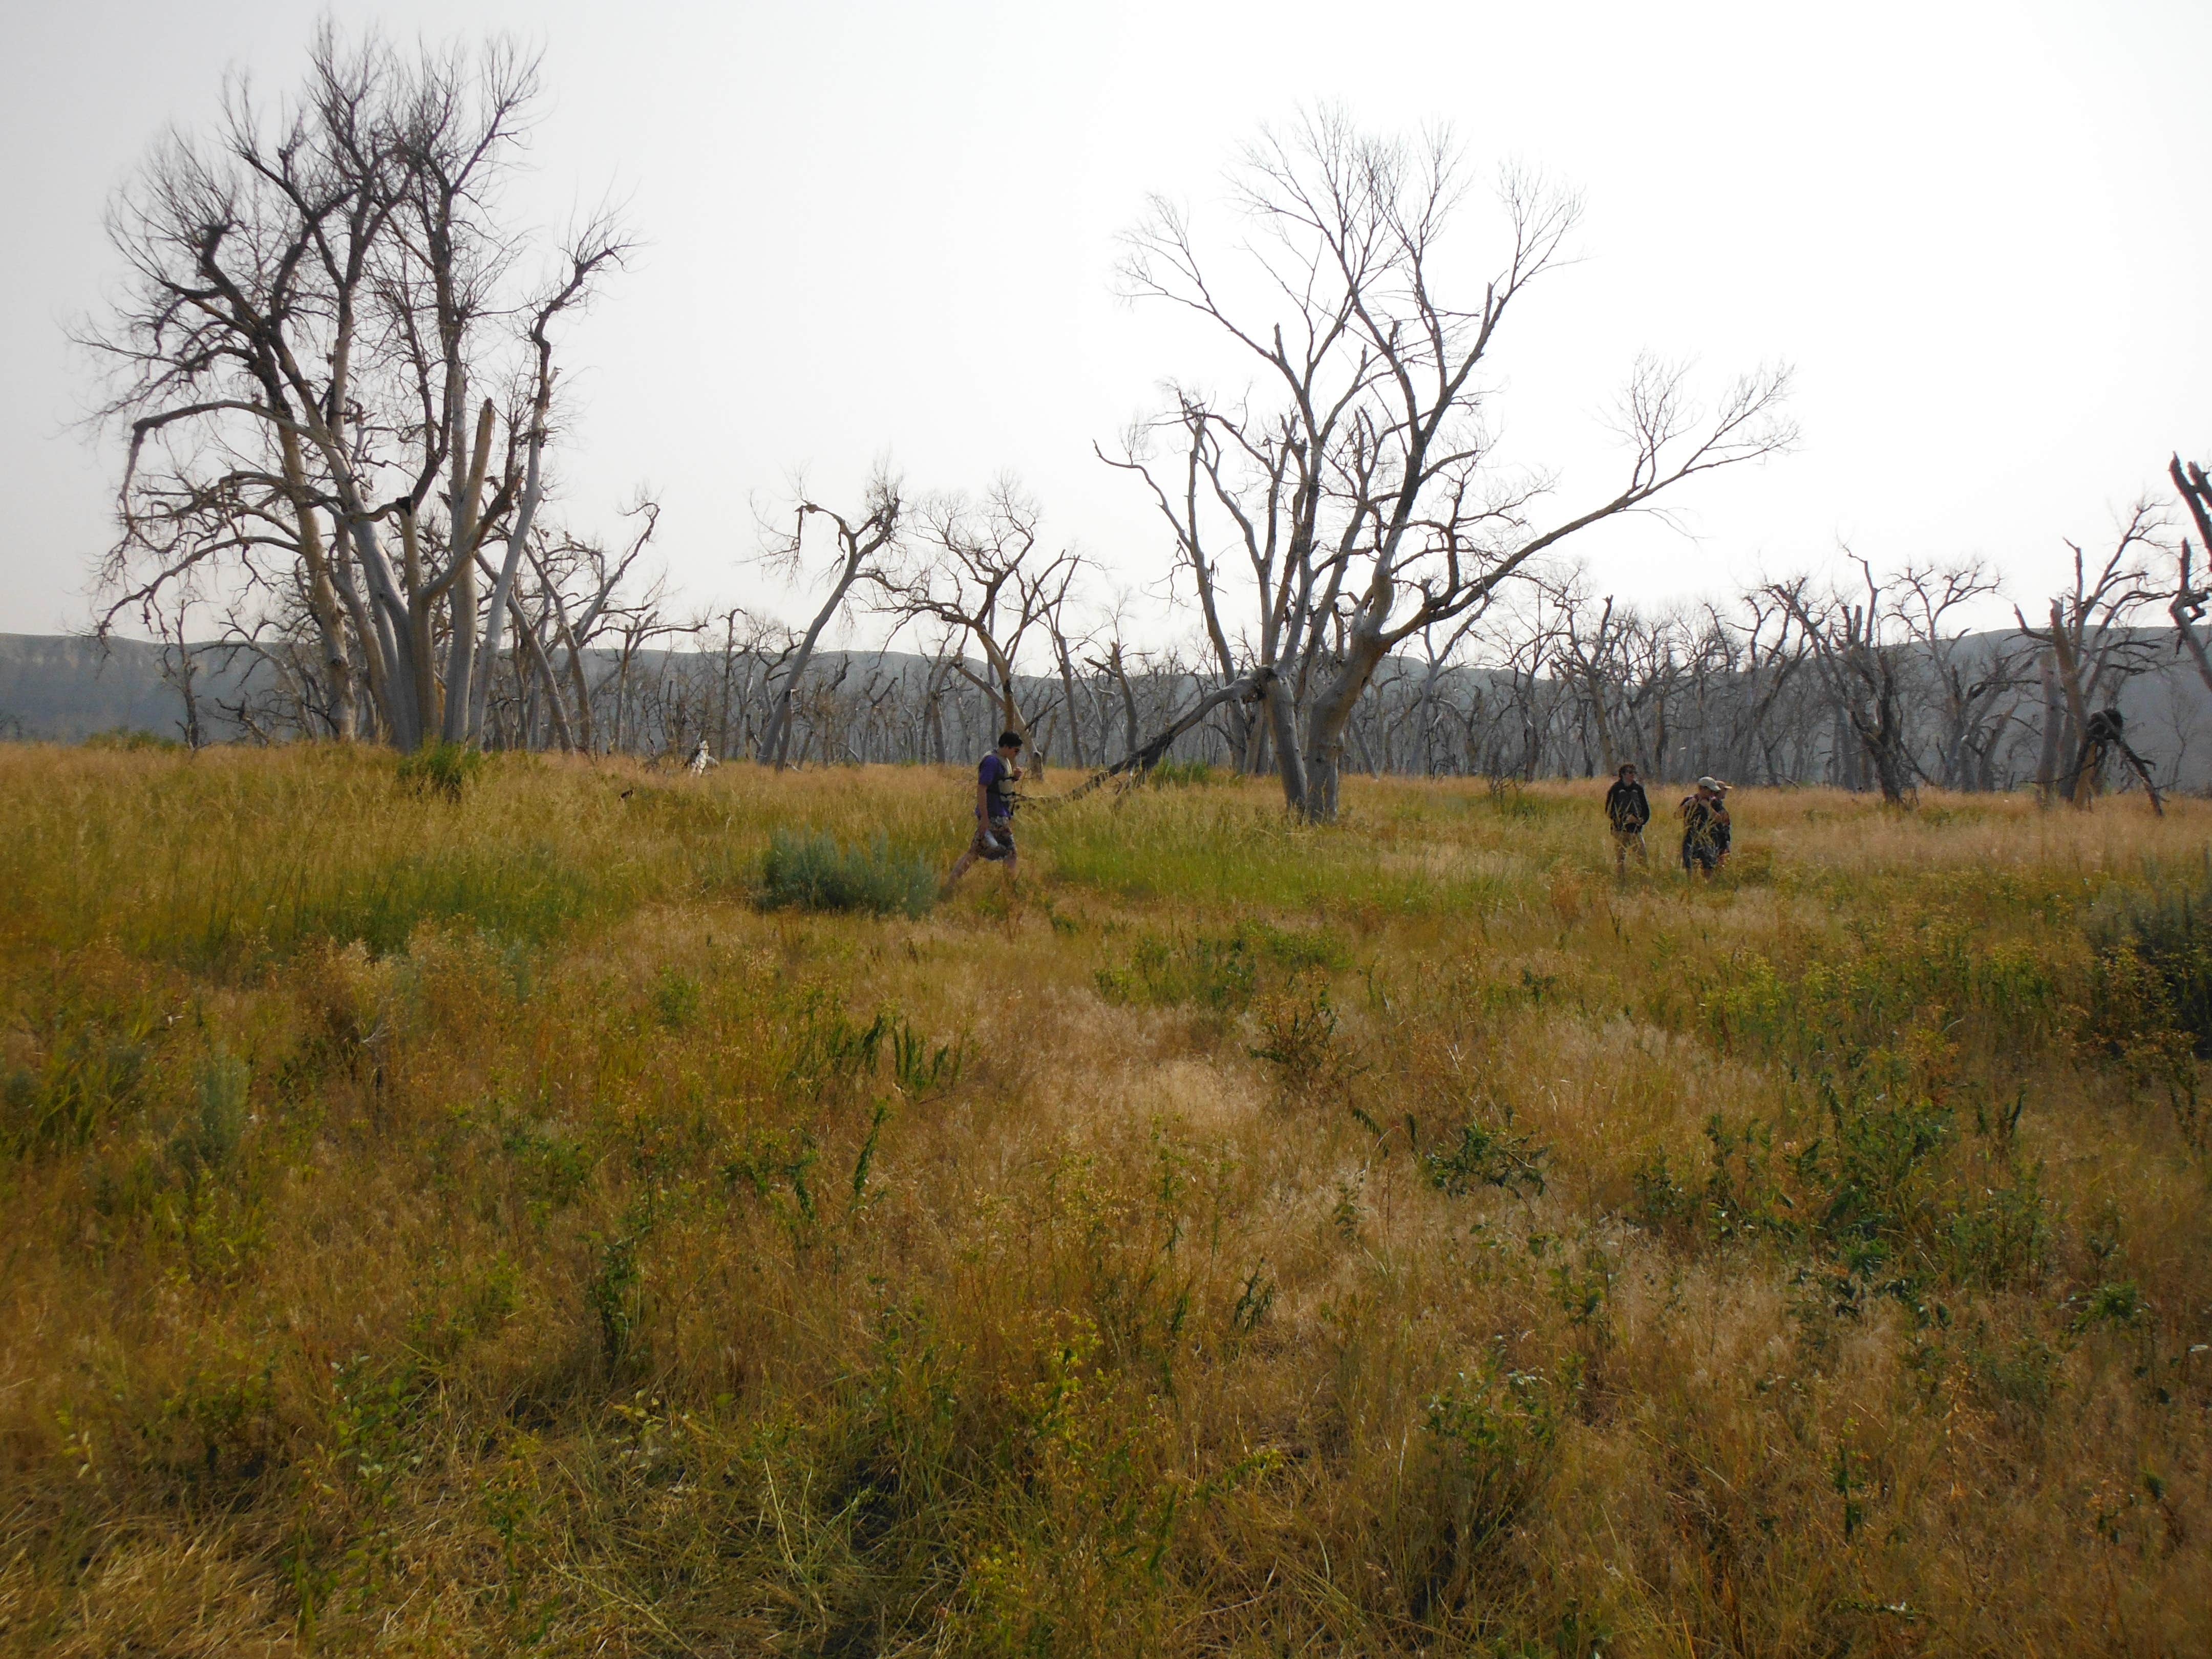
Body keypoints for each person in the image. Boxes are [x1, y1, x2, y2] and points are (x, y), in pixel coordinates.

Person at [945, 730, 1025, 892]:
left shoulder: (1002, 761)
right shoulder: (992, 762)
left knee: (975, 853)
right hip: (994, 816)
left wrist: (1014, 778)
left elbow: (1000, 785)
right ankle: (1011, 890)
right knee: (1011, 853)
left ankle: (950, 885)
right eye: (1016, 751)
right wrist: (985, 819)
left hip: (999, 814)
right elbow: (982, 788)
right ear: (1008, 747)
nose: (1016, 754)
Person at [1603, 762, 1650, 871]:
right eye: (1630, 772)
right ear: (1623, 774)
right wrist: (1623, 820)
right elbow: (1609, 810)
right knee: (1620, 860)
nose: (1633, 775)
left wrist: (1641, 820)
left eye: (1634, 773)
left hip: (1635, 830)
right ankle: (1621, 880)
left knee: (1642, 858)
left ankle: (1644, 879)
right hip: (1620, 830)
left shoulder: (1638, 789)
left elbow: (1646, 809)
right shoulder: (1615, 789)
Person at [1679, 775, 1730, 877]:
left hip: (1707, 839)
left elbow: (1721, 819)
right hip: (1690, 837)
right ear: (1702, 789)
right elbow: (1677, 815)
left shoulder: (1714, 802)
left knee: (1708, 868)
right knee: (1690, 867)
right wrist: (1688, 805)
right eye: (1710, 791)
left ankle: (1708, 888)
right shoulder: (1689, 800)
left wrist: (1707, 807)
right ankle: (1692, 887)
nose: (1712, 794)